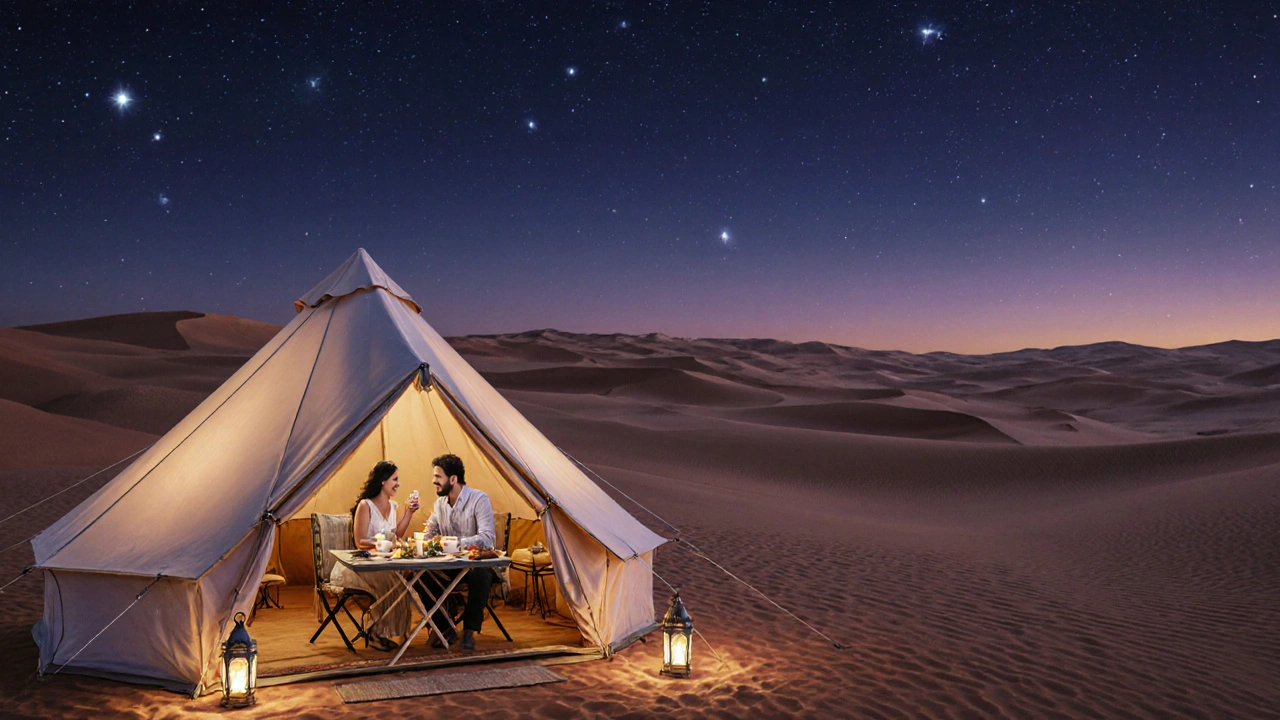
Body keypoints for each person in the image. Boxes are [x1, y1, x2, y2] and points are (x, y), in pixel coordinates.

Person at [330, 460, 421, 651]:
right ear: (383, 481)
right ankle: (374, 632)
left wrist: (409, 513)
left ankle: (390, 632)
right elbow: (360, 540)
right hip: (359, 565)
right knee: (391, 581)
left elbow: (396, 535)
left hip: (382, 562)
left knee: (402, 580)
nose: (398, 484)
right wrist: (382, 543)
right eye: (395, 479)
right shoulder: (366, 505)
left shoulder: (394, 506)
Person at [418, 453, 495, 651]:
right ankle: (445, 628)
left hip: (474, 565)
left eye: (438, 477)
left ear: (453, 479)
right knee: (418, 576)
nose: (434, 481)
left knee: (481, 573)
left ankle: (468, 631)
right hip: (448, 567)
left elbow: (488, 539)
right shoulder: (440, 504)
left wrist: (455, 543)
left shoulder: (479, 499)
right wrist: (422, 542)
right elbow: (430, 532)